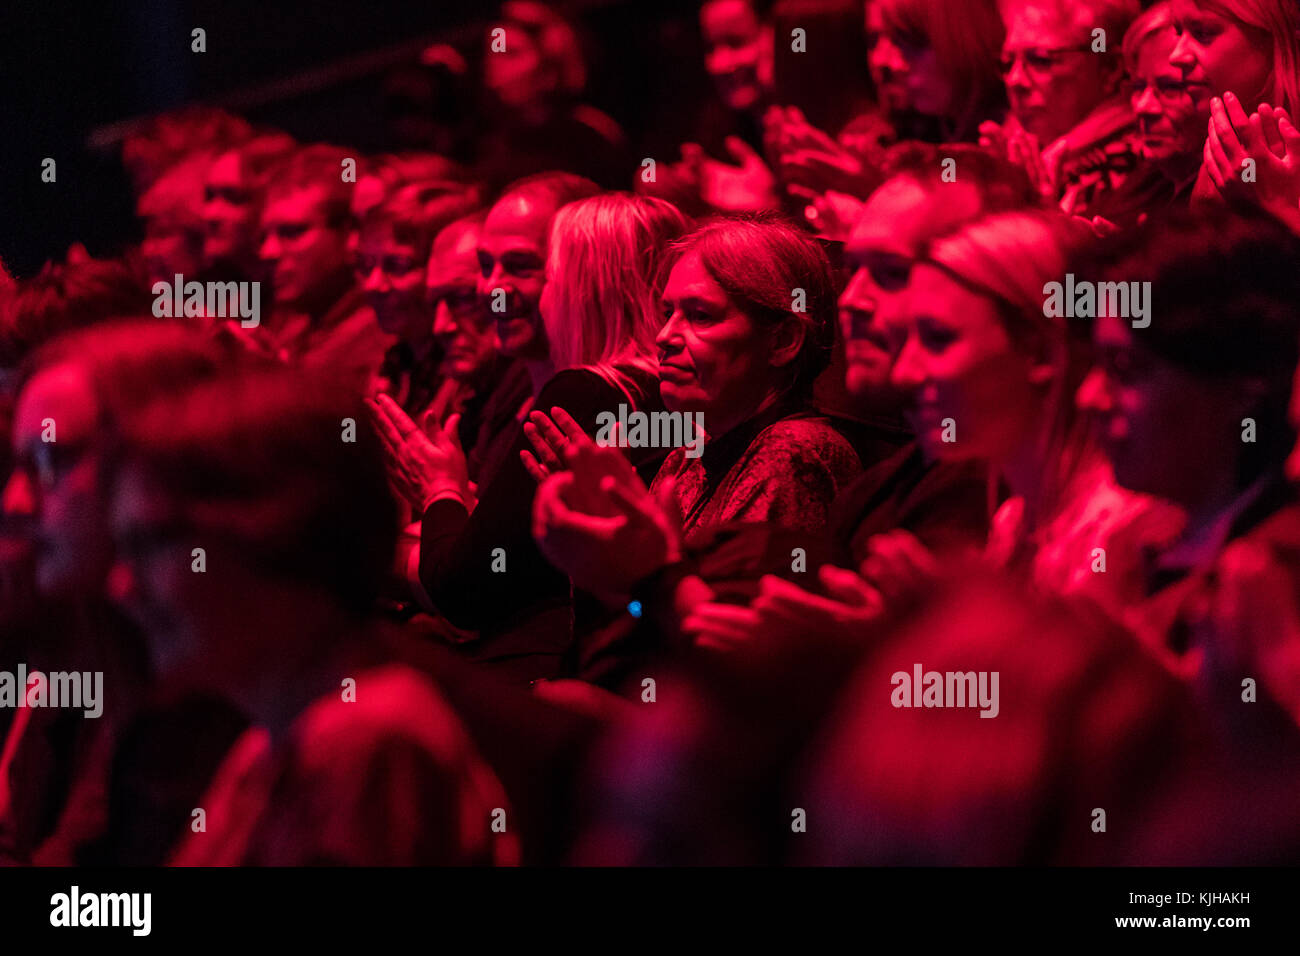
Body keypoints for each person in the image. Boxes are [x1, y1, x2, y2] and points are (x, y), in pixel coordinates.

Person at [103, 367, 517, 866]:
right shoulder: (270, 741)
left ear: (273, 536)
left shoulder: (369, 741)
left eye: (151, 546)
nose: (122, 585)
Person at [370, 187, 684, 683]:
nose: (490, 290)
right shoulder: (666, 393)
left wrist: (441, 490)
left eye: (544, 275)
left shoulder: (586, 394)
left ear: (589, 287)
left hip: (555, 676)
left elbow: (464, 590)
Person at [1075, 211, 1300, 722]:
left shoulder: (1268, 580)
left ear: (1244, 387)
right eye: (1095, 365)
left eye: (1126, 370)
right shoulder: (1155, 544)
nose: (1088, 397)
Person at [983, 0, 1151, 220]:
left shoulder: (1135, 165)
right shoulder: (1027, 151)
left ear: (1110, 68)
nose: (1015, 80)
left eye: (1041, 60)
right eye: (1007, 63)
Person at [254, 144, 388, 389]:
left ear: (351, 234)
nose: (268, 252)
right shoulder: (292, 328)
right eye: (263, 237)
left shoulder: (380, 336)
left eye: (291, 233)